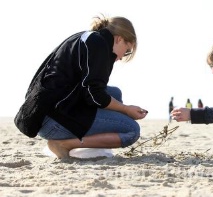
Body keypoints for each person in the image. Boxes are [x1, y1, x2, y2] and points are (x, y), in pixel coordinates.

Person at [20, 14, 148, 159]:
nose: (121, 57)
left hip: (44, 113)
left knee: (115, 94)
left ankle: (84, 147)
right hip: (53, 122)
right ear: (119, 38)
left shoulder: (86, 37)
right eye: (126, 51)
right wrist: (126, 109)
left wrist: (124, 110)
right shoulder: (100, 45)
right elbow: (94, 95)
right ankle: (63, 144)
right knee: (131, 130)